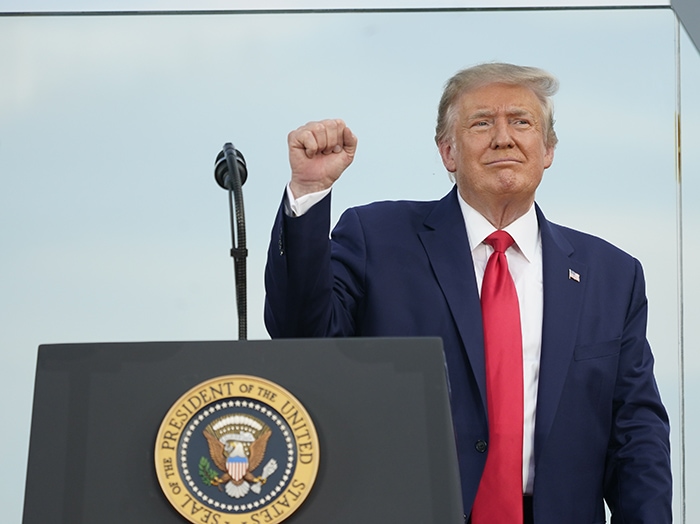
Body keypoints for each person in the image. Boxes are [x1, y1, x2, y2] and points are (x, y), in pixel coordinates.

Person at [264, 63, 672, 523]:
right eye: (481, 123)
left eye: (521, 121)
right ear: (447, 153)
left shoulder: (611, 275)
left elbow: (636, 435)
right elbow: (301, 335)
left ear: (548, 149)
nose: (503, 138)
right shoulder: (377, 238)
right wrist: (310, 191)